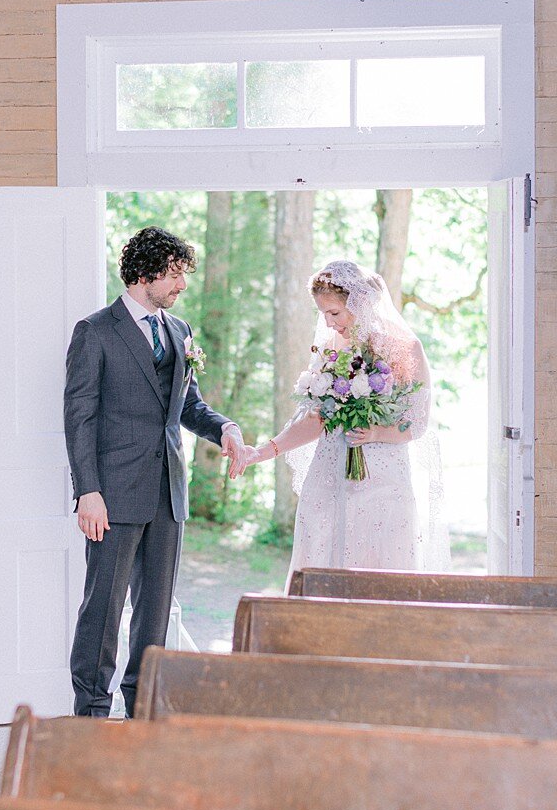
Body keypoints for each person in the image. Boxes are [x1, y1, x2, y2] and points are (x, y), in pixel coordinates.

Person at [63, 226, 247, 718]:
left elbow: (188, 405)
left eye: (183, 273)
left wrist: (223, 427)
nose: (181, 284)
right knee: (102, 609)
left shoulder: (179, 331)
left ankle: (140, 706)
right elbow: (78, 417)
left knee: (155, 612)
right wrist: (88, 492)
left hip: (168, 492)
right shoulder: (96, 332)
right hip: (113, 495)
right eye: (173, 273)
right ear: (143, 274)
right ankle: (91, 713)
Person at [242, 260, 448, 575]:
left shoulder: (405, 348)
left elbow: (416, 423)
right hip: (329, 476)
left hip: (383, 482)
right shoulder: (330, 350)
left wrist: (377, 432)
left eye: (334, 313)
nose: (328, 324)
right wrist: (263, 451)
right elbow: (316, 418)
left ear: (360, 303)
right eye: (322, 314)